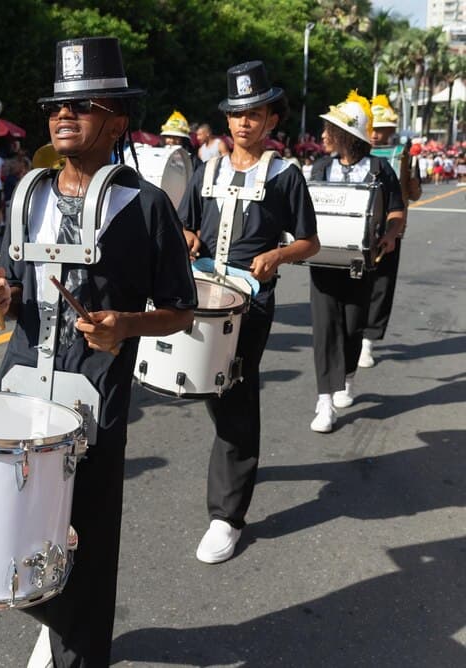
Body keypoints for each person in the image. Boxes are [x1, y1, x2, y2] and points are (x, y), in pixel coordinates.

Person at [0, 37, 197, 666]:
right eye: (56, 106)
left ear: (119, 121)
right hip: (19, 388)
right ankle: (59, 620)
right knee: (11, 530)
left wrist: (125, 325)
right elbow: (17, 295)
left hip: (94, 398)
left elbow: (181, 310)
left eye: (85, 104)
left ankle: (79, 645)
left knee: (88, 541)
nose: (64, 116)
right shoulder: (27, 194)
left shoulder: (147, 206)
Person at [180, 61, 320, 562]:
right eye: (237, 114)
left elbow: (310, 241)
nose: (244, 123)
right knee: (210, 393)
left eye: (254, 114)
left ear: (271, 121)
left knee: (236, 398)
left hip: (251, 305)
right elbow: (186, 228)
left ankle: (227, 515)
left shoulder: (285, 176)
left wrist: (279, 254)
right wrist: (188, 235)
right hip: (201, 298)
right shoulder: (206, 169)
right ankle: (234, 463)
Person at [307, 92, 404, 433]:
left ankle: (347, 375)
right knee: (324, 330)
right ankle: (324, 402)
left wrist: (391, 234)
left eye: (328, 130)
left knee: (351, 327)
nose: (322, 137)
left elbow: (396, 211)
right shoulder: (319, 167)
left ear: (345, 135)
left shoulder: (380, 168)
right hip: (322, 262)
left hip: (360, 265)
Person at [360, 95, 421, 368]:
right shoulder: (355, 153)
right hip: (358, 229)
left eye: (380, 128)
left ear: (390, 131)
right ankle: (354, 334)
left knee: (381, 287)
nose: (374, 134)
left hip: (389, 231)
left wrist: (410, 173)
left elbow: (415, 193)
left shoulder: (402, 155)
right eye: (371, 127)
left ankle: (368, 342)